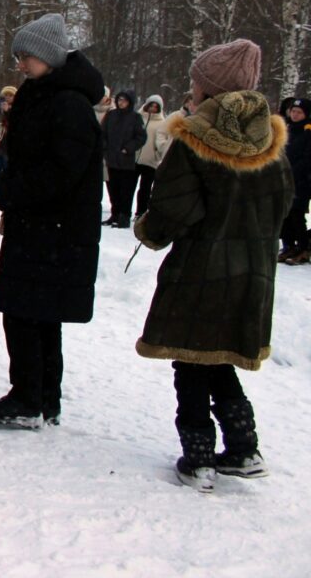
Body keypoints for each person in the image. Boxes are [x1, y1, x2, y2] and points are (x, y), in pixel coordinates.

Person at [133, 39, 293, 491]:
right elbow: (282, 203)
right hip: (252, 272)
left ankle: (198, 454)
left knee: (190, 360)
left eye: (195, 81)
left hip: (202, 270)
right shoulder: (273, 140)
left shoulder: (194, 138)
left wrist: (150, 230)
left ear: (210, 88)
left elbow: (174, 207)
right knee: (217, 359)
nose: (191, 88)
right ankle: (243, 447)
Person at [0, 12, 103, 430]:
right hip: (42, 225)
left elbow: (61, 171)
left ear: (48, 56)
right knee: (37, 314)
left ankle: (29, 398)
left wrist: (8, 191)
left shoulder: (68, 104)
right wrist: (2, 184)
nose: (20, 65)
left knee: (27, 313)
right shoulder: (46, 95)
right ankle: (44, 398)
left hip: (55, 230)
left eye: (26, 57)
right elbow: (32, 160)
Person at [103, 90, 146, 228]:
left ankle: (124, 216)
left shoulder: (135, 118)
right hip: (111, 158)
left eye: (124, 100)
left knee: (125, 191)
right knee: (112, 189)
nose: (121, 103)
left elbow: (141, 137)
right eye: (119, 100)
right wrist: (105, 148)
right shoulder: (111, 115)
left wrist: (128, 148)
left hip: (126, 161)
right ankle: (114, 214)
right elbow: (103, 133)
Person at [278, 97, 310, 263]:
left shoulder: (307, 132)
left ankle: (303, 248)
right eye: (293, 111)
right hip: (282, 178)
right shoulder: (285, 128)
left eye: (299, 112)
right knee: (284, 214)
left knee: (296, 215)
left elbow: (307, 158)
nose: (295, 115)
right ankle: (288, 245)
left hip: (300, 180)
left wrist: (292, 172)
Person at [134, 95, 170, 218]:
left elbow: (163, 139)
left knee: (145, 189)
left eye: (156, 107)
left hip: (151, 160)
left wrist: (158, 153)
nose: (153, 108)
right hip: (134, 158)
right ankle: (123, 212)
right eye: (151, 105)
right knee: (128, 188)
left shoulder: (162, 122)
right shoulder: (138, 118)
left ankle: (141, 212)